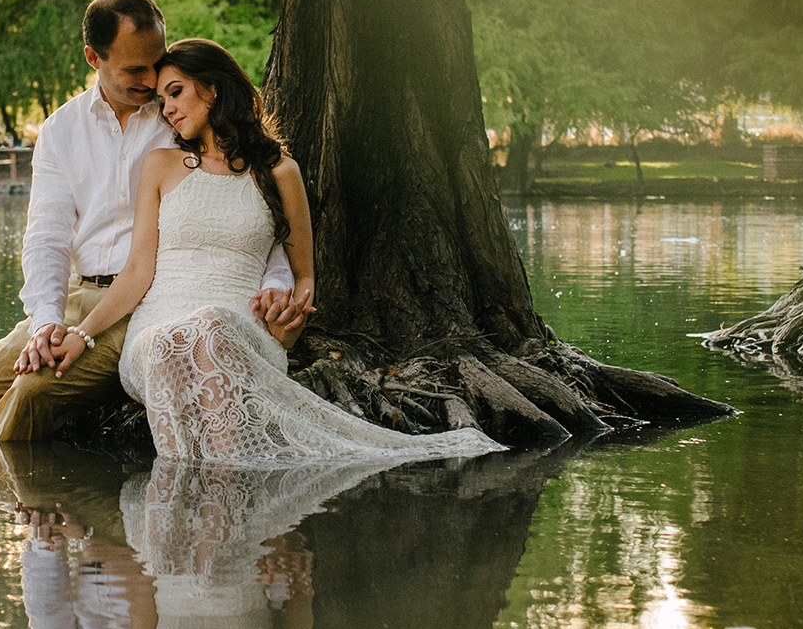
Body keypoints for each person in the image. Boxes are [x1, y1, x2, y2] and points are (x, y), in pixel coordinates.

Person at [36, 38, 499, 465]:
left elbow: (304, 275)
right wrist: (84, 335)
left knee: (212, 323)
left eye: (175, 93)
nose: (167, 110)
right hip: (155, 332)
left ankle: (220, 498)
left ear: (213, 89)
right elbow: (137, 271)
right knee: (170, 340)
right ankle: (222, 501)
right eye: (162, 101)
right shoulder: (161, 165)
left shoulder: (280, 172)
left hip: (240, 328)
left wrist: (290, 318)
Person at [0, 0, 309, 442]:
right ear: (93, 58)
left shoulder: (180, 118)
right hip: (79, 298)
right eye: (135, 69)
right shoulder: (62, 130)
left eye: (156, 62)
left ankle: (30, 508)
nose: (152, 79)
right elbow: (47, 238)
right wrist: (46, 322)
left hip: (145, 303)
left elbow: (248, 217)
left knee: (31, 394)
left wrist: (277, 287)